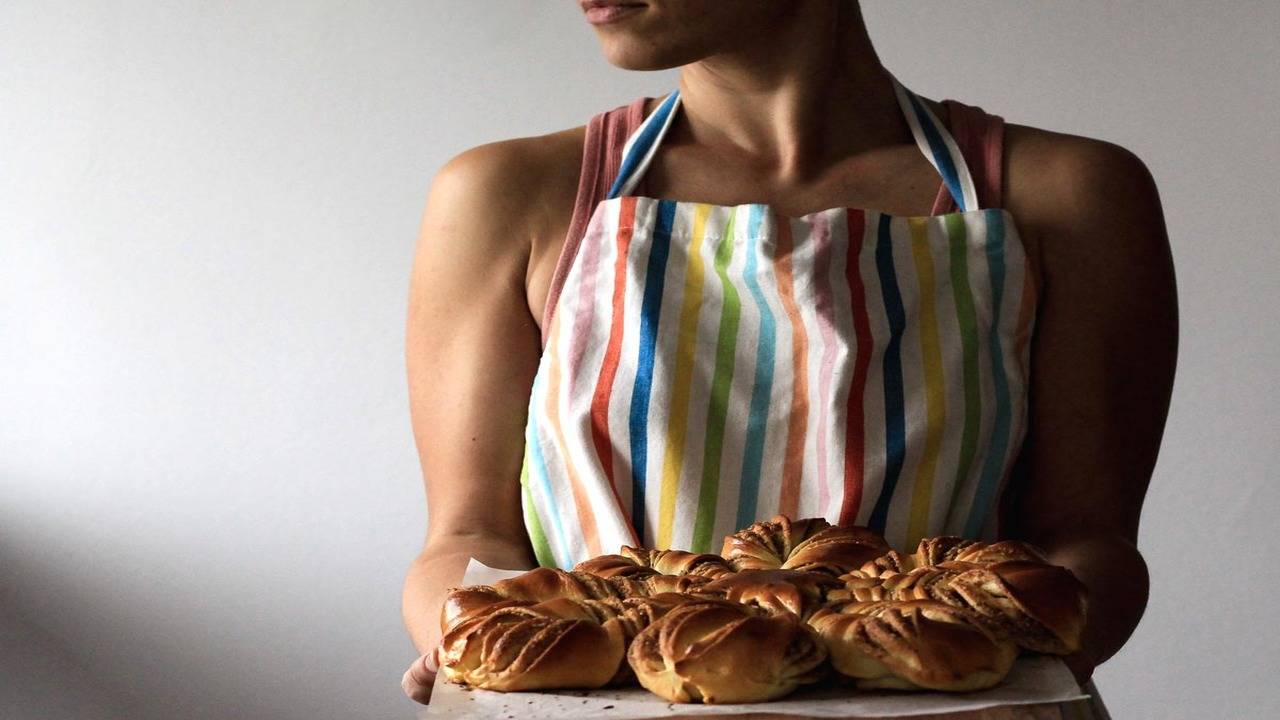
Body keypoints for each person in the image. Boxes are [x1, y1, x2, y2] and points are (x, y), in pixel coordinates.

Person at [400, 0, 1177, 704]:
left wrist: (978, 666)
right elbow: (471, 538)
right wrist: (462, 638)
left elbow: (1087, 540)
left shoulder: (1069, 197)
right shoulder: (507, 194)